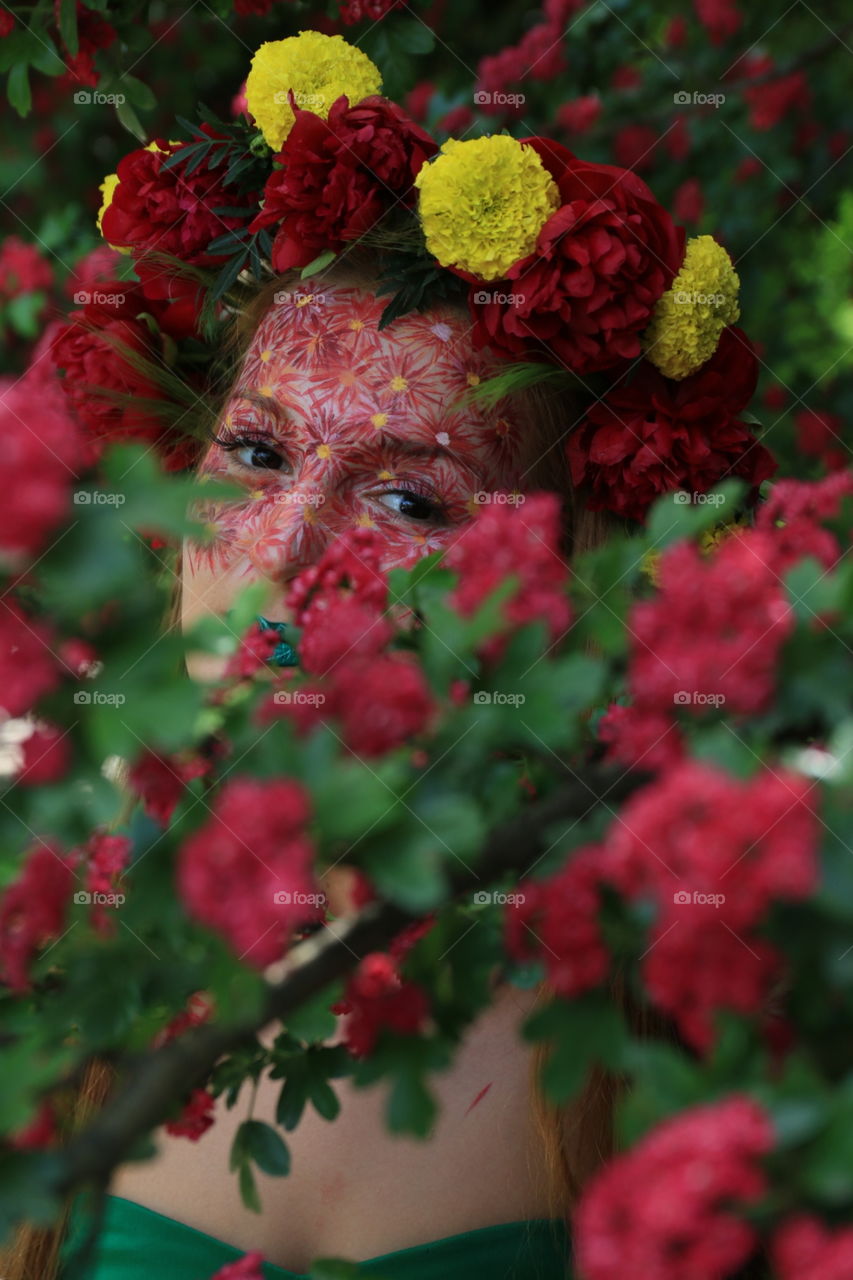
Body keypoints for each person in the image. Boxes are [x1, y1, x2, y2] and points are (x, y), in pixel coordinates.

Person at [2, 26, 777, 1278]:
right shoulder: (37, 941)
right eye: (255, 453)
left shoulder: (666, 1007)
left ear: (554, 587)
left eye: (411, 502)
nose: (291, 549)